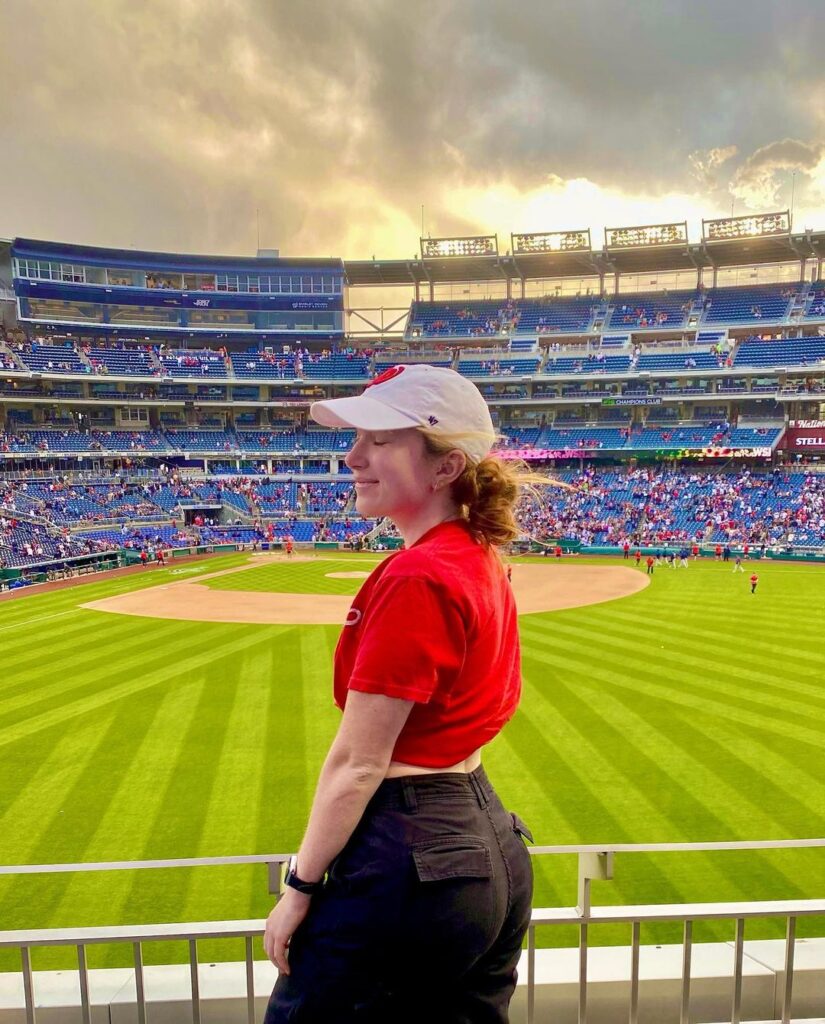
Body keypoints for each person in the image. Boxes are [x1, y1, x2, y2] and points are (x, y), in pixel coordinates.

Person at [262, 365, 536, 1023]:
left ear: (444, 469)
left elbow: (357, 764)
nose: (353, 456)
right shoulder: (475, 554)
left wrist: (299, 886)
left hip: (412, 858)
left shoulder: (416, 574)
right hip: (490, 845)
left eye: (380, 440)